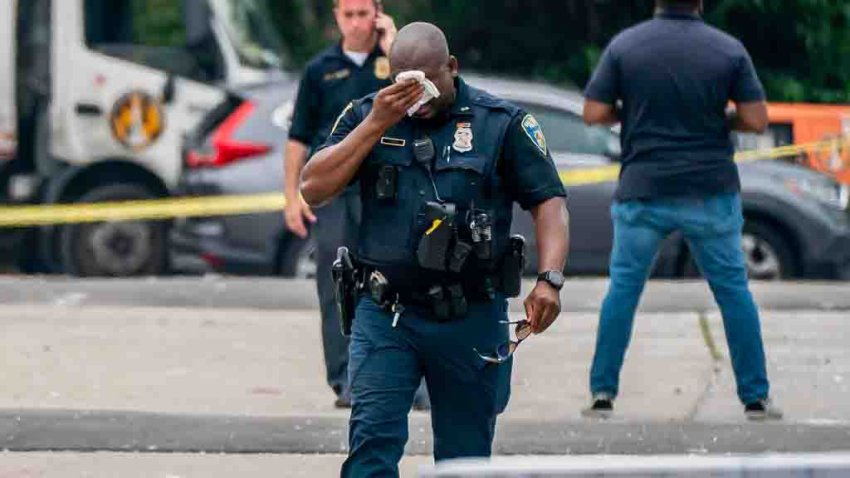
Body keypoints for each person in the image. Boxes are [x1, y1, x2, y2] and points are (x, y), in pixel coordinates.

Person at [301, 22, 570, 477]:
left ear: (451, 68)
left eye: (427, 81)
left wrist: (550, 279)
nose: (417, 96)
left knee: (465, 459)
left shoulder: (499, 123)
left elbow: (549, 201)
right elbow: (313, 188)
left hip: (470, 316)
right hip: (387, 314)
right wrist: (376, 124)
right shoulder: (368, 116)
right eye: (405, 83)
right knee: (371, 447)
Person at [582, 0, 782, 421]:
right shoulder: (727, 49)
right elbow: (758, 119)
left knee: (623, 289)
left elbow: (593, 111)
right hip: (708, 190)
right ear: (700, 1)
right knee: (732, 292)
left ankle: (602, 391)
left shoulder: (625, 46)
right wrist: (721, 120)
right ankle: (755, 397)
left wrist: (632, 112)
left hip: (643, 189)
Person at [284, 0, 431, 409]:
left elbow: (424, 103)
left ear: (378, 14)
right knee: (338, 284)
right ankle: (345, 378)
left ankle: (408, 377)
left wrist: (394, 44)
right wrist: (291, 197)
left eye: (363, 14)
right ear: (336, 17)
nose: (355, 23)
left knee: (396, 280)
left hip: (385, 188)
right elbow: (297, 139)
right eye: (347, 15)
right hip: (333, 191)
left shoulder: (391, 60)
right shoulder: (319, 70)